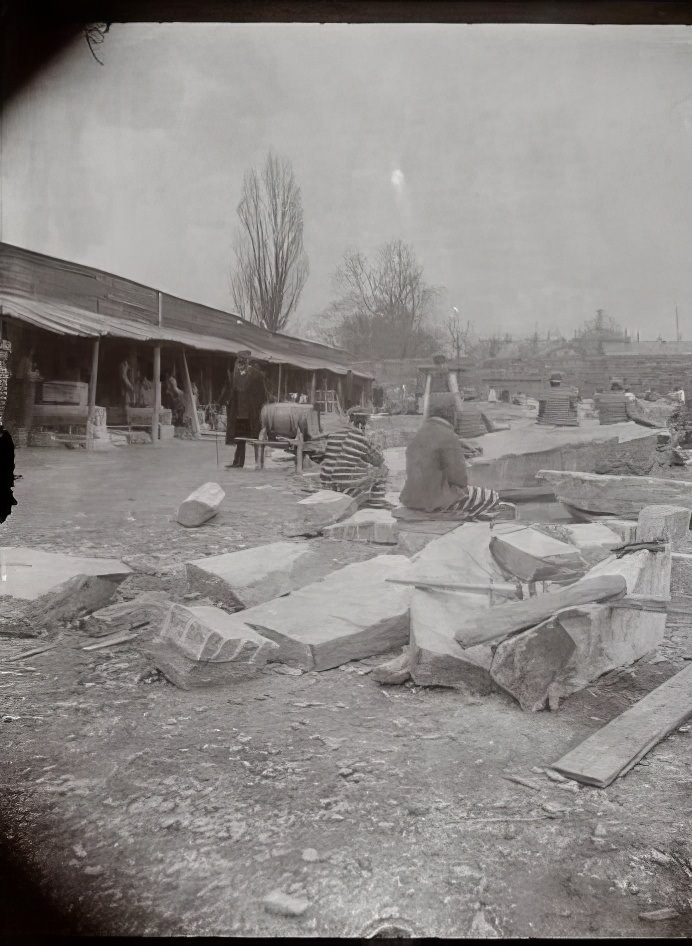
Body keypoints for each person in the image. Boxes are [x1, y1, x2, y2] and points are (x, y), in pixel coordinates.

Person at [399, 403, 504, 521]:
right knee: (491, 497)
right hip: (433, 502)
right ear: (452, 416)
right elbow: (460, 480)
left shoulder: (420, 433)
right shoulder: (448, 436)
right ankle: (464, 522)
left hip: (411, 498)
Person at [319, 409, 389, 508]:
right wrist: (375, 444)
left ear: (349, 420)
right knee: (383, 470)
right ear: (362, 425)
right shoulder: (360, 437)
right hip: (345, 486)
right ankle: (376, 503)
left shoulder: (334, 435)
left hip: (327, 484)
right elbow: (379, 461)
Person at [220, 351, 268, 468]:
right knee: (239, 438)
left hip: (251, 413)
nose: (240, 363)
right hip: (238, 413)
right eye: (239, 360)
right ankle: (238, 462)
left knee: (256, 438)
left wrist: (258, 407)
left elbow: (263, 395)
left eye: (243, 360)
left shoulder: (256, 375)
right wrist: (224, 401)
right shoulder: (235, 375)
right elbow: (230, 391)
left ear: (248, 361)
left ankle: (259, 463)